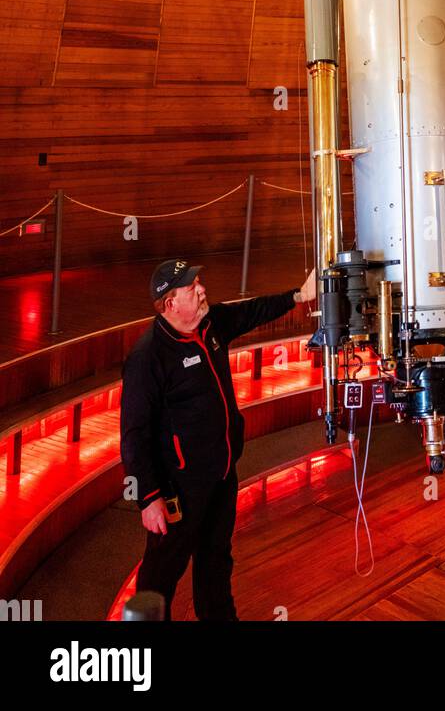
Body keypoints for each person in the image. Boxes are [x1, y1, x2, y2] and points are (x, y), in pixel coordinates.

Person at [120, 258, 317, 621]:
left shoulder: (210, 324)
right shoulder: (147, 356)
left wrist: (297, 296)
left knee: (215, 560)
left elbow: (250, 311)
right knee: (161, 573)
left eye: (199, 282)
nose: (202, 289)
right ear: (170, 304)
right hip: (178, 487)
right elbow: (134, 433)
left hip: (222, 473)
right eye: (192, 287)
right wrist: (148, 498)